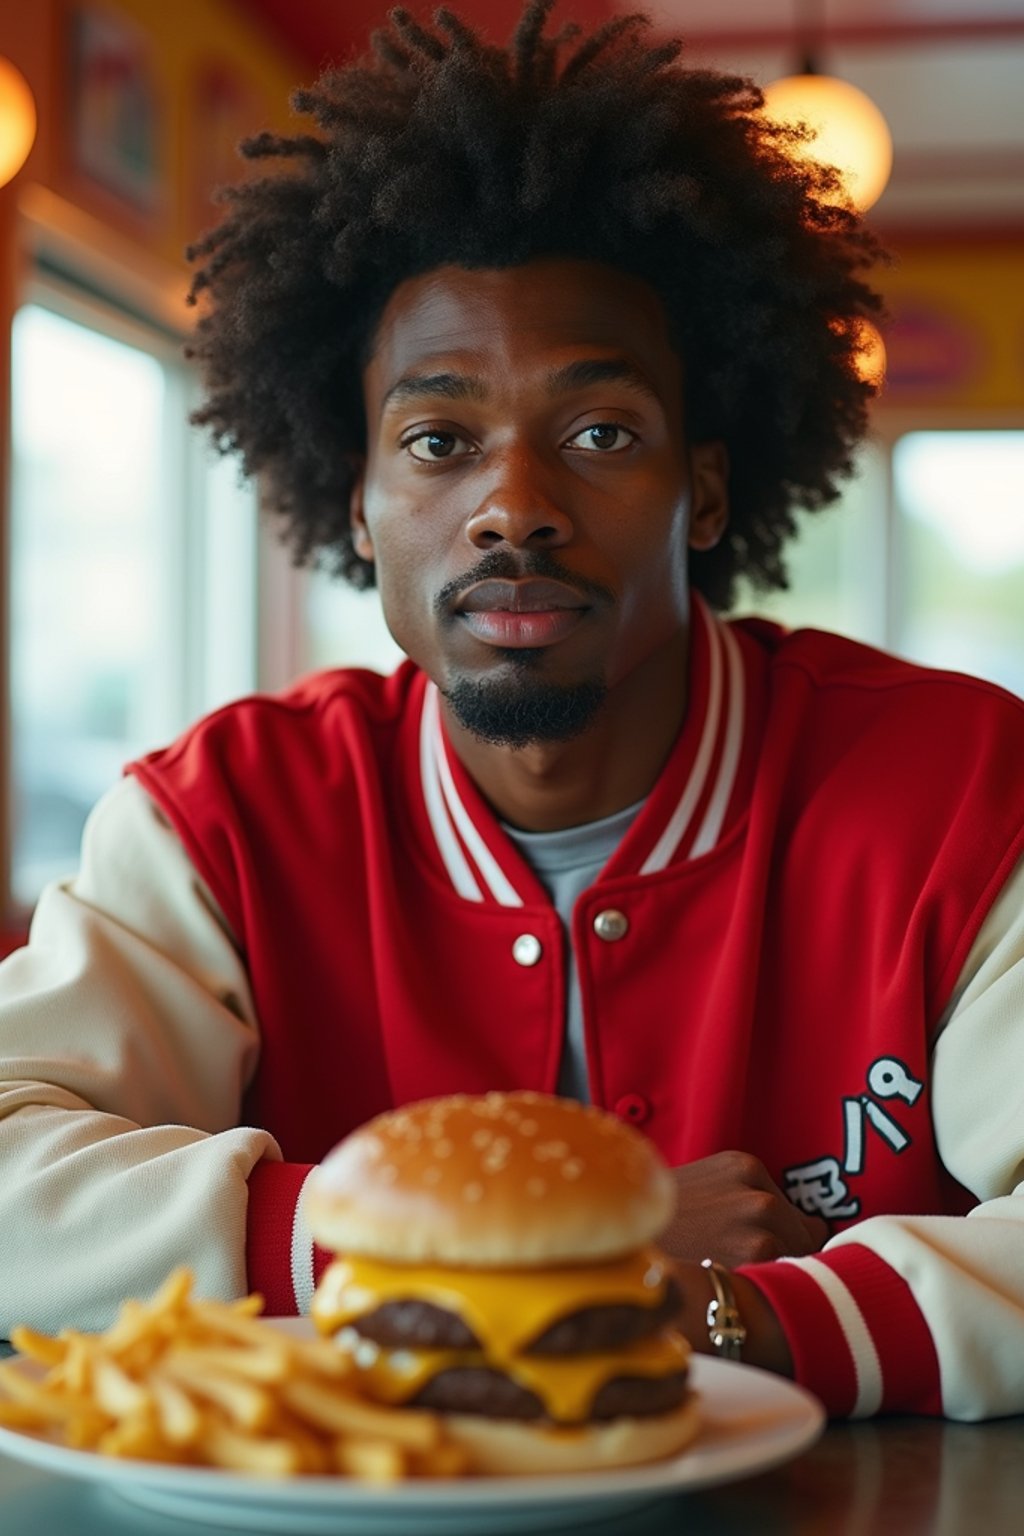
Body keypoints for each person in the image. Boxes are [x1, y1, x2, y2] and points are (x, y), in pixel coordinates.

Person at [2, 0, 1023, 1422]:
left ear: (705, 490)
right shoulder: (221, 817)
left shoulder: (959, 790)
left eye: (601, 433)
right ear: (358, 503)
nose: (516, 510)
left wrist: (745, 1314)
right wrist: (452, 1245)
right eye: (438, 440)